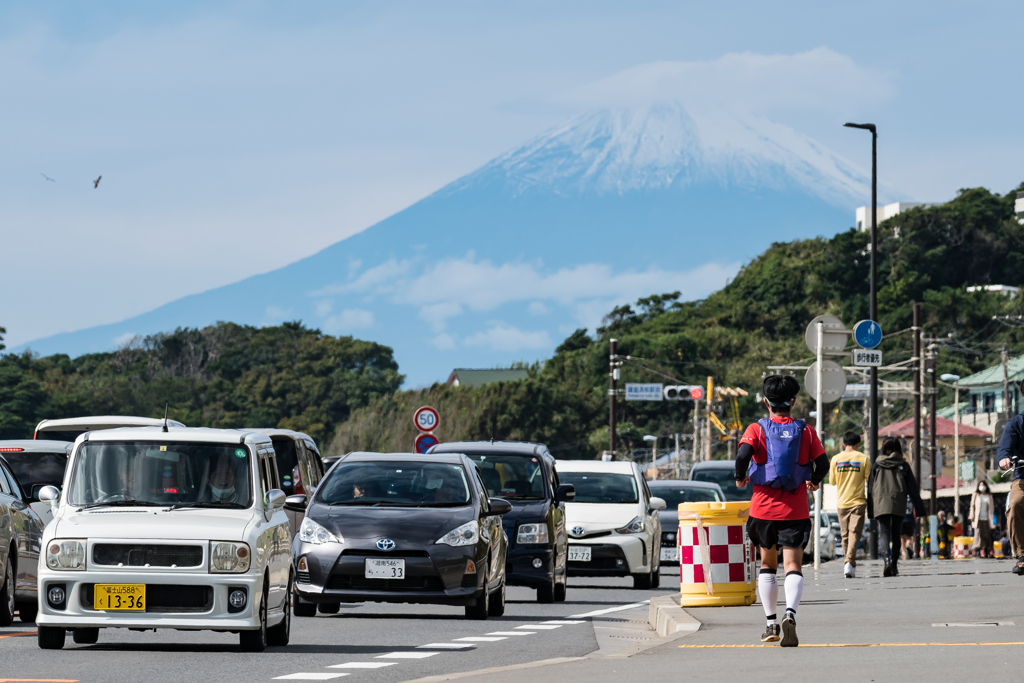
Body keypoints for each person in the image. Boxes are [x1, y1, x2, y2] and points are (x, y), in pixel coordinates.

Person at [735, 375, 829, 647]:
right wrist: (814, 479)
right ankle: (791, 614)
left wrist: (740, 477)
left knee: (767, 565)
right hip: (795, 510)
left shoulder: (756, 429)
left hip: (763, 509)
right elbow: (822, 464)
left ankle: (770, 623)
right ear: (794, 402)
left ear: (766, 402)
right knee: (793, 565)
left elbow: (743, 456)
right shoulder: (806, 431)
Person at [867, 438, 925, 576]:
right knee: (896, 533)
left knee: (884, 532)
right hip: (898, 501)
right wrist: (920, 508)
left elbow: (870, 488)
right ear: (899, 449)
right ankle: (893, 565)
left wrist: (870, 510)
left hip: (881, 502)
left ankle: (886, 560)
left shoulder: (877, 465)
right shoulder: (903, 465)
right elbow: (913, 489)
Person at [829, 431, 871, 578]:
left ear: (843, 444)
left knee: (845, 535)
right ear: (858, 444)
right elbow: (869, 481)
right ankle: (849, 562)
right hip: (858, 501)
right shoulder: (863, 459)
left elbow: (833, 481)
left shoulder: (835, 459)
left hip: (842, 502)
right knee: (855, 533)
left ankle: (849, 564)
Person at [997, 385, 1024, 574]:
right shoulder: (1016, 423)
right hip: (1023, 477)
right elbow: (1004, 447)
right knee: (1015, 503)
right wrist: (1004, 458)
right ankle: (1022, 555)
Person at [969, 481, 995, 558]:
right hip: (978, 518)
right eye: (980, 485)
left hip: (987, 519)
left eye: (983, 485)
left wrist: (993, 521)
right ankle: (977, 550)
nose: (982, 487)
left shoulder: (989, 496)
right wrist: (971, 515)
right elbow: (972, 506)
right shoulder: (976, 495)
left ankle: (986, 549)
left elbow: (992, 509)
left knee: (986, 535)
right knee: (978, 534)